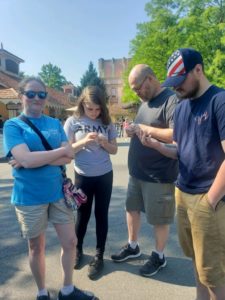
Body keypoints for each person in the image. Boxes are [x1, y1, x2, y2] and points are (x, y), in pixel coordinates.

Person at [142, 48, 225, 300]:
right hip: (183, 193)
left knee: (214, 275)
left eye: (180, 81)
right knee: (197, 266)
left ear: (198, 70)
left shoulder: (219, 100)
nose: (176, 88)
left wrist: (209, 200)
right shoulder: (181, 107)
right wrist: (157, 146)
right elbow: (181, 150)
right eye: (173, 83)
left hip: (208, 200)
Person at [3, 77, 97, 300]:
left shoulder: (54, 124)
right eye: (31, 93)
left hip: (58, 193)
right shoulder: (13, 125)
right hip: (29, 196)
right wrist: (48, 156)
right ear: (21, 96)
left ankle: (67, 290)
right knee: (36, 247)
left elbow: (70, 155)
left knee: (71, 241)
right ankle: (42, 292)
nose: (37, 98)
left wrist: (32, 158)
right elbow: (27, 160)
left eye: (41, 94)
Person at [111, 64, 178, 277]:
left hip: (159, 174)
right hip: (137, 172)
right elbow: (142, 129)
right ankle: (133, 246)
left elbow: (176, 135)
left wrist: (144, 129)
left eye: (138, 87)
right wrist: (132, 131)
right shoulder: (145, 103)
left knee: (160, 218)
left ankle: (159, 255)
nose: (136, 92)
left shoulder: (172, 99)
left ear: (150, 79)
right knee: (132, 209)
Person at [63, 86, 118, 280]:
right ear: (82, 105)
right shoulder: (72, 121)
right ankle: (77, 250)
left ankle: (99, 255)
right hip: (83, 176)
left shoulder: (107, 122)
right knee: (82, 215)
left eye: (98, 109)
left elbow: (114, 151)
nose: (94, 113)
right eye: (90, 109)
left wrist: (105, 143)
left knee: (101, 215)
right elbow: (67, 151)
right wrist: (84, 141)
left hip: (105, 175)